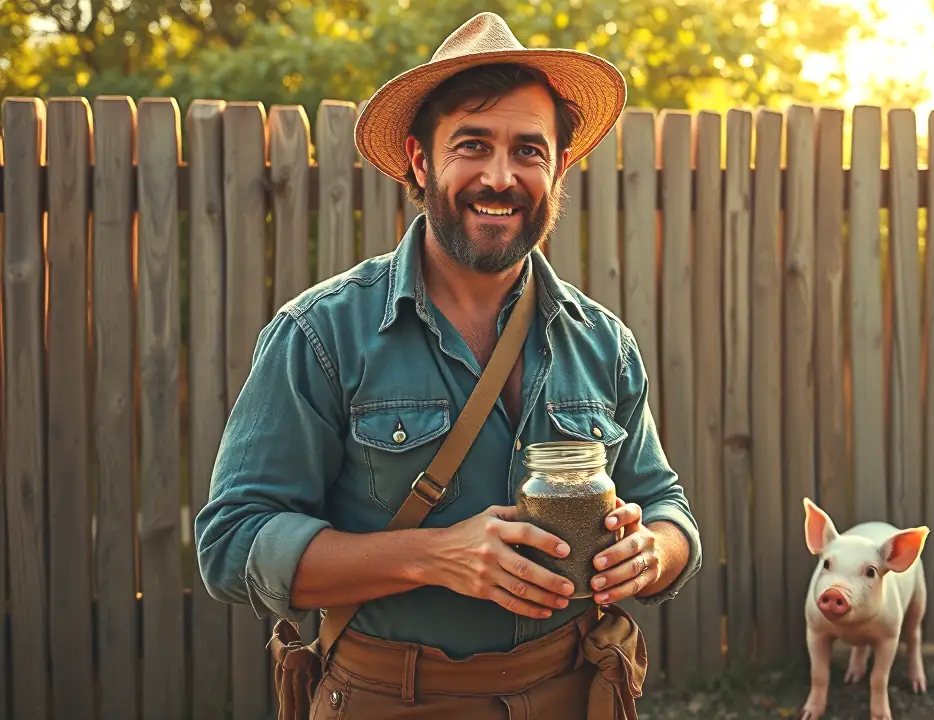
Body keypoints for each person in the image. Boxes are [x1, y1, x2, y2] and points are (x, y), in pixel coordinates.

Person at [193, 12, 701, 720]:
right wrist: (433, 556)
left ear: (558, 168)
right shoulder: (319, 334)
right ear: (421, 160)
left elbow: (670, 508)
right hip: (386, 700)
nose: (501, 176)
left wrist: (653, 554)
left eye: (529, 150)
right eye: (472, 145)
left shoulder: (604, 344)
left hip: (577, 695)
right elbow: (231, 544)